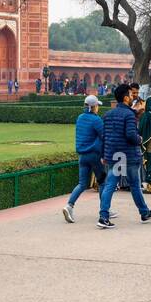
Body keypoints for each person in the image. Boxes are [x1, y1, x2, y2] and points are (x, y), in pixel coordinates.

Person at [98, 83, 151, 228]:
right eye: (131, 95)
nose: (133, 97)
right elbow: (131, 135)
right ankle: (143, 213)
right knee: (134, 185)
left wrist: (103, 154)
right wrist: (139, 139)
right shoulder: (129, 114)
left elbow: (104, 137)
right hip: (128, 156)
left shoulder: (107, 114)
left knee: (111, 185)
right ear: (125, 98)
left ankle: (104, 215)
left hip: (114, 155)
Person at [63, 95, 106, 223]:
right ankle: (104, 209)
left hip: (82, 156)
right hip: (94, 155)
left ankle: (69, 206)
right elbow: (104, 136)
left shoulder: (80, 118)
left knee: (82, 184)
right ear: (93, 107)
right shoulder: (96, 120)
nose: (98, 108)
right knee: (103, 182)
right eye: (97, 106)